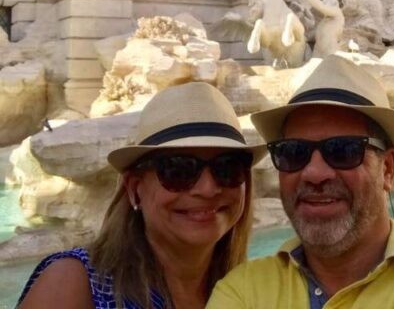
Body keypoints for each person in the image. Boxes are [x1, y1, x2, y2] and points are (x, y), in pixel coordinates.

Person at [207, 55, 394, 308]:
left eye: (343, 151)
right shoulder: (243, 291)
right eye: (293, 152)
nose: (314, 173)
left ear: (387, 169)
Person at [18, 82, 266, 309]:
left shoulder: (250, 292)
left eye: (228, 167)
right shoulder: (72, 283)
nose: (208, 188)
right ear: (135, 188)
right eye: (178, 169)